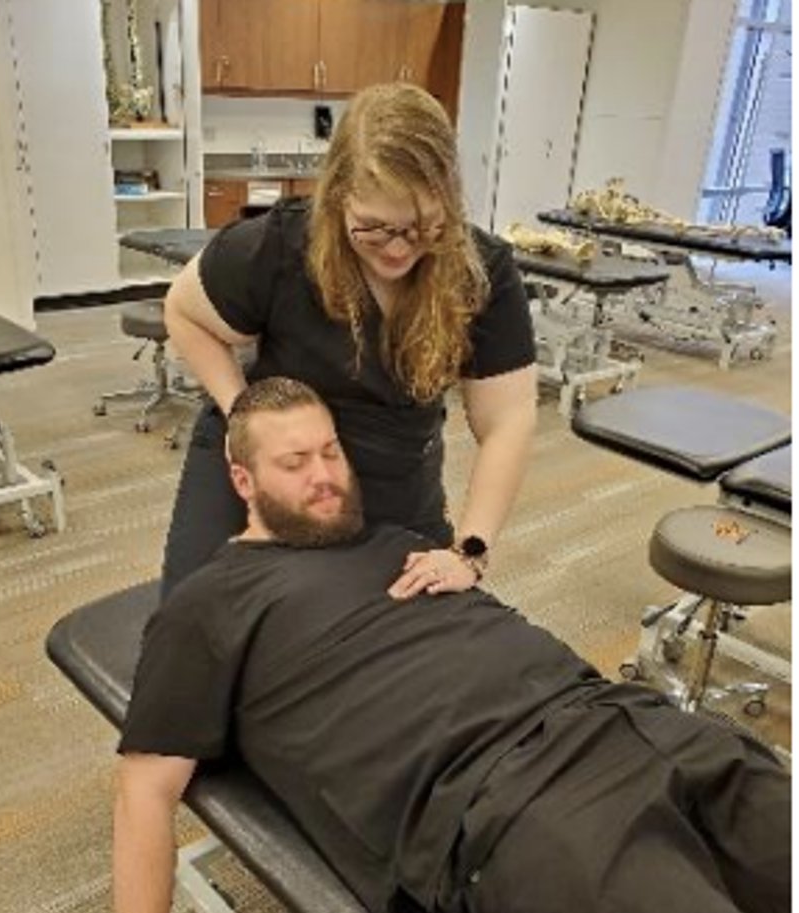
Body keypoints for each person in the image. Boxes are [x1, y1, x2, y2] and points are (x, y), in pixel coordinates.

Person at [112, 379, 790, 913]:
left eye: (330, 451)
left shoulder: (396, 540)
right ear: (244, 482)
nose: (326, 475)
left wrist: (466, 562)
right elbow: (144, 795)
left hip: (630, 722)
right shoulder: (207, 608)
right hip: (519, 814)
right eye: (295, 462)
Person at [159, 82, 537, 599]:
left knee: (401, 631)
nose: (399, 248)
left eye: (422, 226)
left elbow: (508, 420)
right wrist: (240, 412)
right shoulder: (280, 245)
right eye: (374, 228)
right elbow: (184, 311)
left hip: (392, 469)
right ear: (337, 198)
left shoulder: (481, 270)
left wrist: (470, 552)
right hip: (276, 456)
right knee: (201, 613)